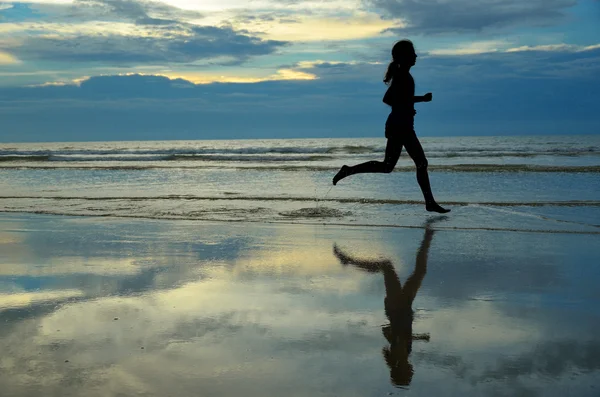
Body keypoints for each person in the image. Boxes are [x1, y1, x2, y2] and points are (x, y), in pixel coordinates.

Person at [332, 40, 450, 214]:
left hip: (401, 124)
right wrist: (418, 101)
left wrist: (413, 104)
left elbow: (398, 99)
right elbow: (388, 99)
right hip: (400, 126)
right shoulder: (403, 75)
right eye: (412, 53)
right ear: (404, 56)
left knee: (389, 166)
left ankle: (349, 170)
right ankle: (430, 202)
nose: (416, 56)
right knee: (420, 163)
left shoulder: (405, 75)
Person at [332, 220, 438, 386]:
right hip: (401, 309)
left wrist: (412, 337)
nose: (412, 371)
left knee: (387, 267)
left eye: (409, 375)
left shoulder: (399, 356)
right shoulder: (400, 356)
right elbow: (390, 333)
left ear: (403, 372)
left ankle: (349, 261)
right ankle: (427, 236)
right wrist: (417, 337)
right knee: (416, 271)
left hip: (398, 309)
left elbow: (396, 337)